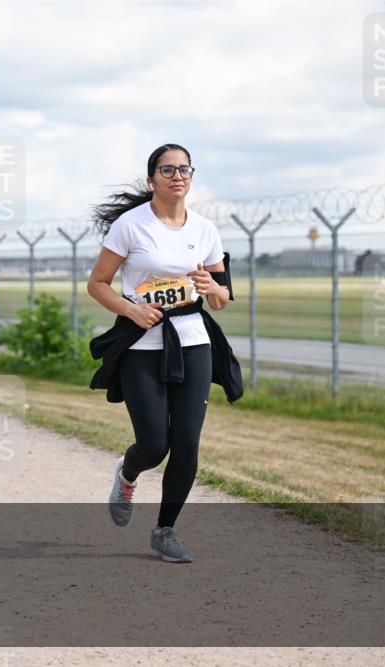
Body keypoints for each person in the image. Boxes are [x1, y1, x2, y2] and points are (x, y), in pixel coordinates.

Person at [86, 143, 241, 564]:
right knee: (154, 445)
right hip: (143, 344)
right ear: (151, 178)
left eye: (184, 169)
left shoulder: (205, 230)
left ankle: (165, 532)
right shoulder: (130, 227)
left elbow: (224, 297)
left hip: (193, 341)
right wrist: (132, 310)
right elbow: (97, 283)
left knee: (187, 442)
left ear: (191, 178)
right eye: (167, 169)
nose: (177, 176)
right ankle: (128, 473)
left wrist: (214, 289)